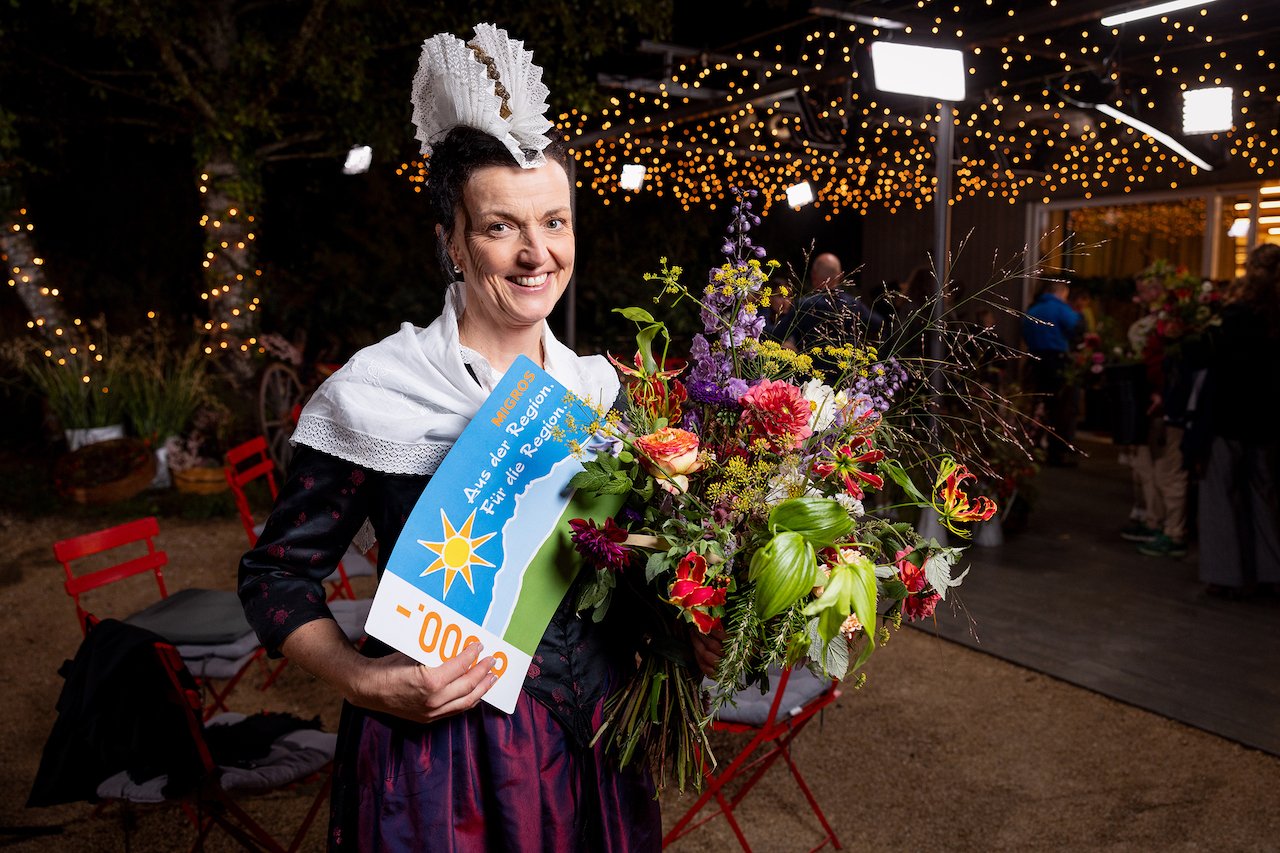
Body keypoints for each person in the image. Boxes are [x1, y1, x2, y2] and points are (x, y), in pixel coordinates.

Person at [238, 25, 701, 850]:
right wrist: (364, 680)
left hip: (595, 745)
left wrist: (707, 616)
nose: (536, 254)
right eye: (499, 228)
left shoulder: (607, 390)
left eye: (554, 221)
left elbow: (631, 579)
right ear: (450, 240)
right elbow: (275, 577)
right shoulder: (378, 392)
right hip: (444, 765)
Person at [1194, 243, 1280, 597]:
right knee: (1264, 495)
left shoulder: (1234, 316)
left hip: (1227, 415)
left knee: (1220, 495)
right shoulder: (1273, 318)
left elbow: (1213, 365)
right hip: (1266, 419)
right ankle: (1271, 572)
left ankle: (1225, 574)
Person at [786, 252, 884, 371]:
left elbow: (778, 334)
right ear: (840, 276)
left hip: (809, 373)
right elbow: (878, 322)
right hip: (845, 373)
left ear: (813, 275)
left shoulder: (804, 305)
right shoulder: (853, 304)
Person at [1020, 280, 1083, 467]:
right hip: (1057, 361)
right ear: (1060, 292)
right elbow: (1077, 327)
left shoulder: (1033, 310)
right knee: (1061, 407)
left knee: (1038, 404)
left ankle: (1033, 447)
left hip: (1035, 361)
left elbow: (1025, 333)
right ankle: (1057, 452)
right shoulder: (1060, 309)